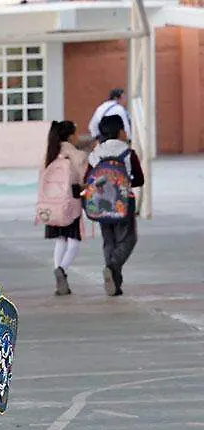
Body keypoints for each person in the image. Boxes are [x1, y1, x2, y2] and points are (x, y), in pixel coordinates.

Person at [88, 114, 145, 296]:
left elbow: (88, 179)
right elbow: (139, 179)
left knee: (109, 240)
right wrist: (124, 182)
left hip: (102, 203)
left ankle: (115, 283)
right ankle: (112, 267)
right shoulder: (128, 153)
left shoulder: (95, 154)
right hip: (123, 202)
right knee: (128, 239)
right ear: (120, 131)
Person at [40, 120, 89, 296]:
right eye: (76, 133)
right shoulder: (77, 155)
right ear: (70, 136)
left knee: (60, 240)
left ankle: (58, 279)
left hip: (52, 205)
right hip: (72, 203)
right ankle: (61, 270)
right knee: (74, 242)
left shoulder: (50, 154)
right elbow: (84, 180)